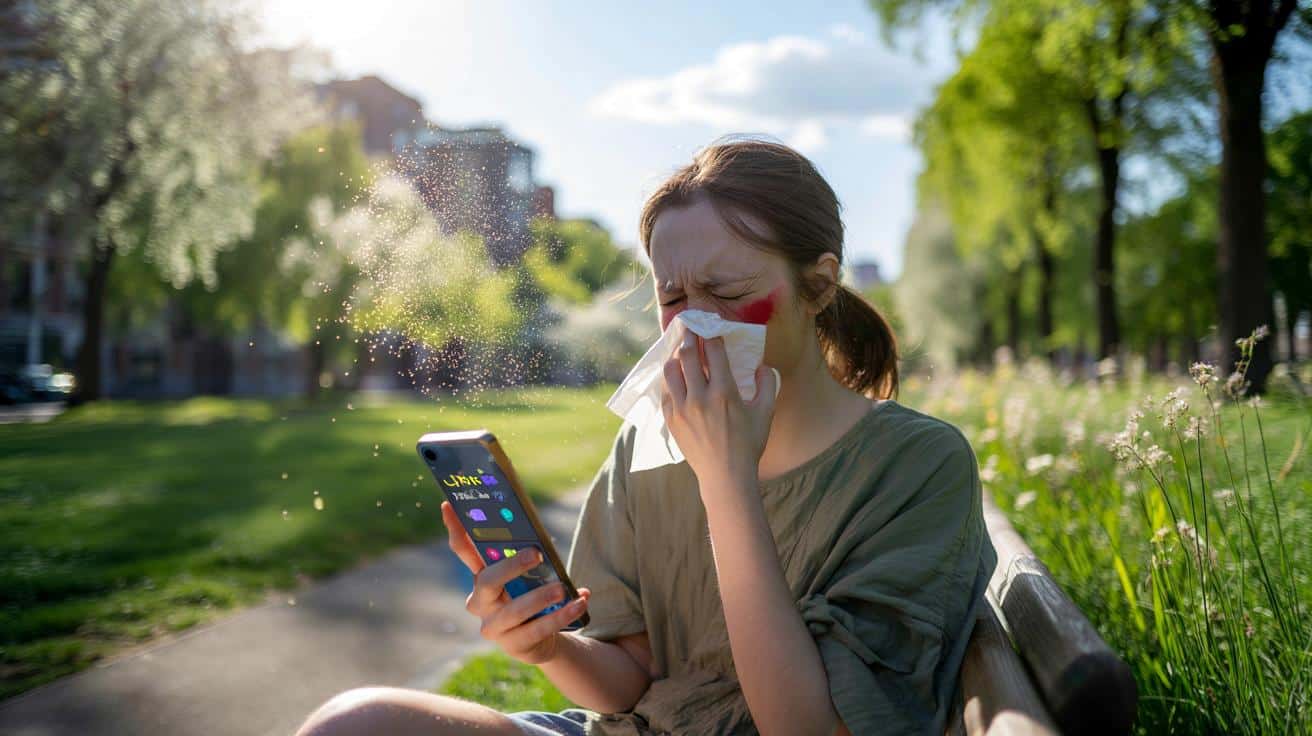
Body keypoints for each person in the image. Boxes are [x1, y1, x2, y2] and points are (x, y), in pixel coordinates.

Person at [294, 135, 998, 736]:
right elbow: (626, 681)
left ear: (816, 287)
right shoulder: (647, 441)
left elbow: (813, 726)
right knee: (352, 722)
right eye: (671, 298)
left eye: (726, 294)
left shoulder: (917, 464)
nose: (695, 325)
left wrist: (726, 478)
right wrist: (547, 647)